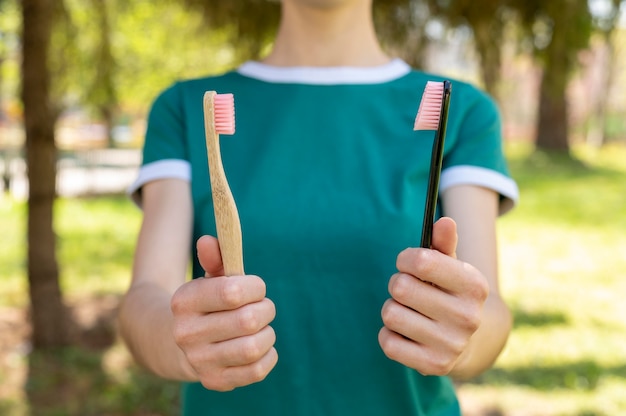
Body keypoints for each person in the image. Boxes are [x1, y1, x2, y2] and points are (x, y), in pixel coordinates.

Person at [118, 0, 519, 414]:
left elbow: (490, 311)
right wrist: (184, 343)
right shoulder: (184, 108)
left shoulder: (465, 111)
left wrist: (461, 338)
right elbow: (144, 298)